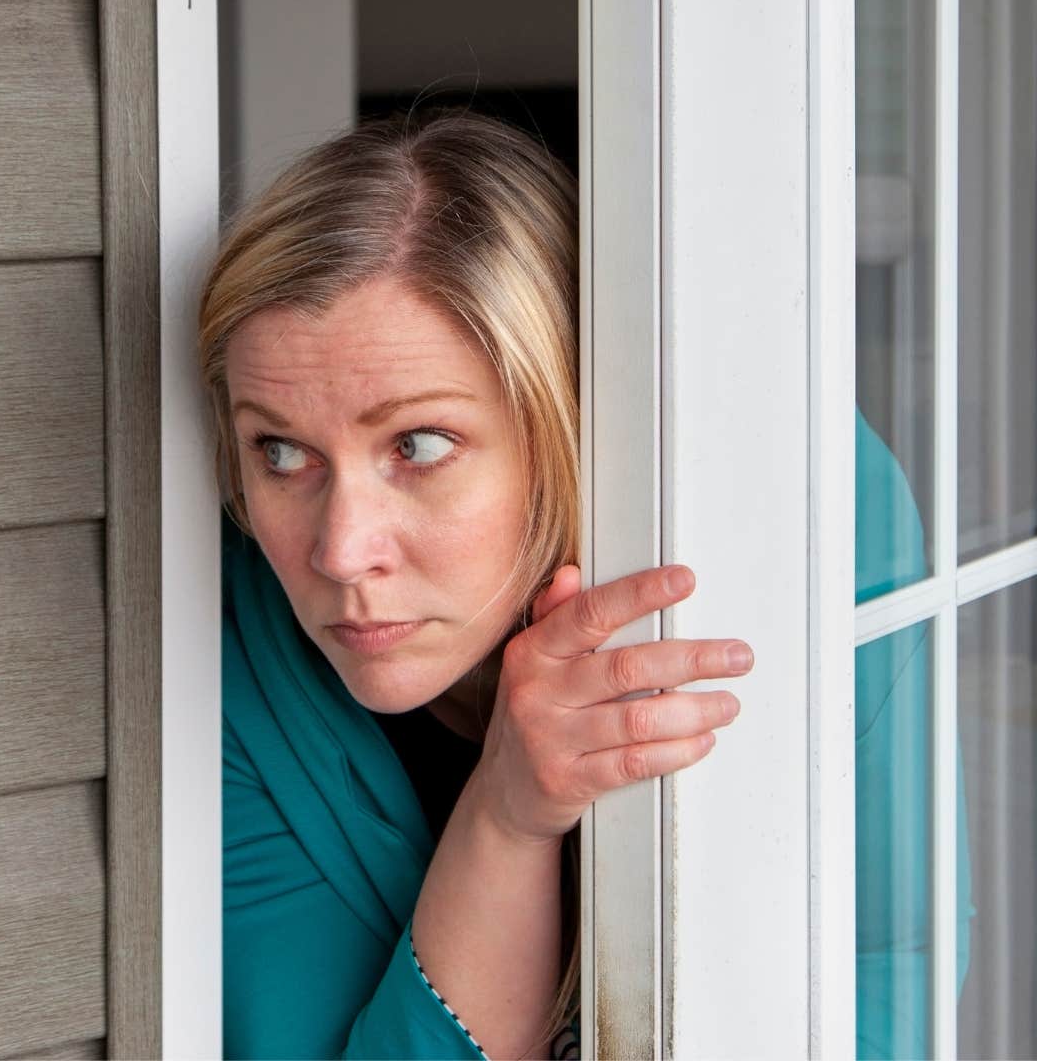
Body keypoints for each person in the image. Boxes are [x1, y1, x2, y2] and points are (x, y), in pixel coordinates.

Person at [205, 109, 967, 1060]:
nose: (340, 552)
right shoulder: (232, 655)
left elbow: (893, 955)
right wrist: (507, 815)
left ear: (563, 421)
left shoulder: (800, 510)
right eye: (281, 452)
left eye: (420, 445)